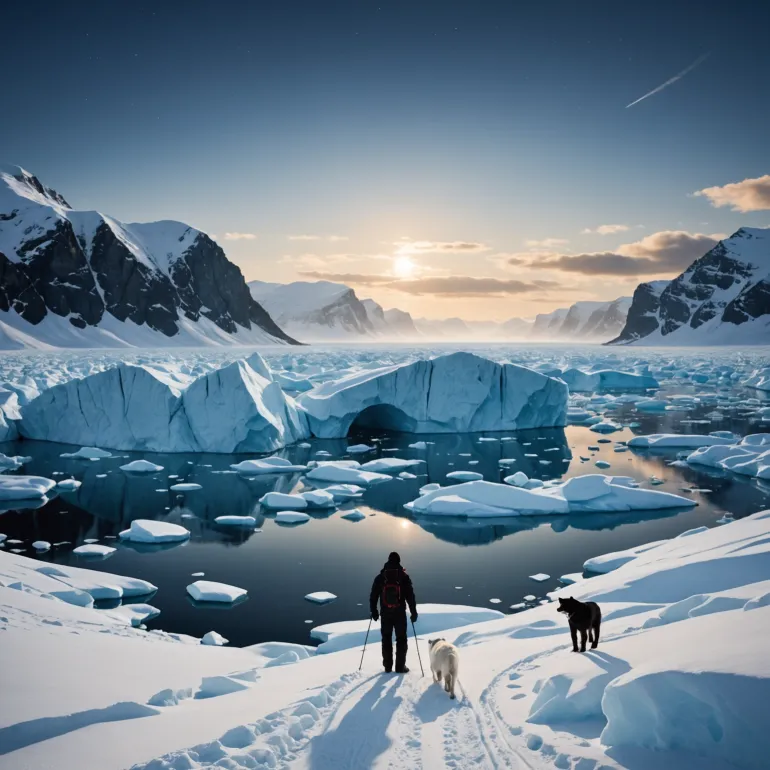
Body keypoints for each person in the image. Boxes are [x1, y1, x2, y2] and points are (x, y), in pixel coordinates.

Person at [370, 551, 418, 674]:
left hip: (385, 613)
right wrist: (413, 612)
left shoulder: (381, 577)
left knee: (386, 638)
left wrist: (374, 611)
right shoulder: (403, 576)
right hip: (400, 613)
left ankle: (387, 666)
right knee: (401, 639)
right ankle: (400, 667)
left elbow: (373, 596)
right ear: (399, 561)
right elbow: (410, 596)